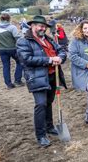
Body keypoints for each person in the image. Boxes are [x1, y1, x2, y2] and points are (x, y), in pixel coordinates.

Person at [16, 15, 67, 147]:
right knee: (40, 104)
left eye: (44, 26)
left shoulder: (49, 40)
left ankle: (49, 127)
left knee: (49, 102)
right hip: (37, 77)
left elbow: (61, 50)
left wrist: (60, 58)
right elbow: (26, 59)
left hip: (52, 75)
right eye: (39, 25)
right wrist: (49, 60)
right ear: (32, 26)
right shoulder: (24, 41)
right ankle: (41, 135)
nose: (42, 28)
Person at [0, 13, 24, 89]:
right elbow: (18, 38)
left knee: (6, 66)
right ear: (9, 19)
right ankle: (18, 81)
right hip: (13, 49)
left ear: (1, 19)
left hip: (2, 50)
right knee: (20, 62)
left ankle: (8, 84)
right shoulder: (12, 27)